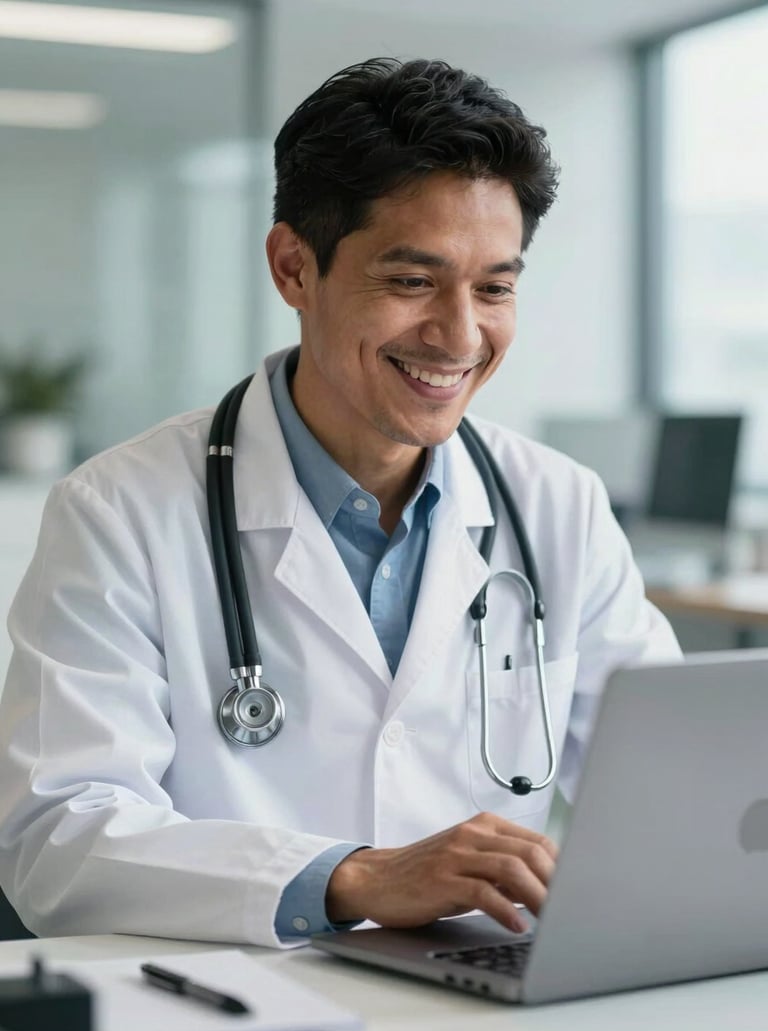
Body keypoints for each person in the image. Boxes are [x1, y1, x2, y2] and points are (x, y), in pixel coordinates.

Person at [0, 57, 679, 947]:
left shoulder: (558, 505)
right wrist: (351, 876)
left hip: (478, 1002)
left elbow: (680, 783)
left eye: (495, 286)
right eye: (411, 281)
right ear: (293, 267)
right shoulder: (120, 509)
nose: (460, 334)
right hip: (232, 1001)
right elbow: (58, 835)